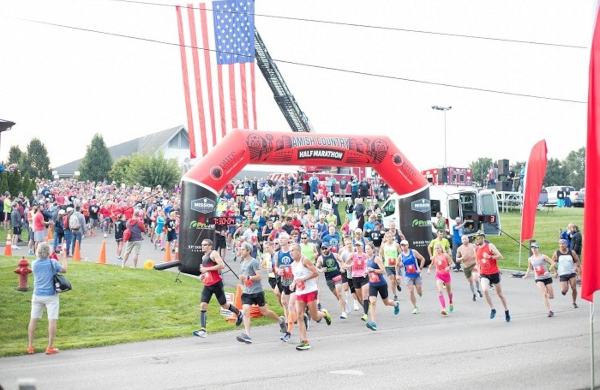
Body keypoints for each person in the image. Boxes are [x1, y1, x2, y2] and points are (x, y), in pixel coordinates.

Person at [236, 242, 286, 344]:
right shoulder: (242, 262)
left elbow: (259, 276)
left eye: (243, 250)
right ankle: (248, 335)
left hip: (257, 291)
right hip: (246, 292)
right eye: (240, 249)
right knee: (245, 312)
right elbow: (243, 276)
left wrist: (248, 277)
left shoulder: (253, 262)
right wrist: (242, 283)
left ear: (248, 251)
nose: (241, 251)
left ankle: (281, 321)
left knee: (265, 312)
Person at [193, 239, 243, 338]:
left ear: (210, 246)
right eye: (202, 245)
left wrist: (206, 269)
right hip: (207, 284)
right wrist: (203, 275)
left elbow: (221, 265)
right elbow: (207, 271)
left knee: (224, 305)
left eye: (205, 245)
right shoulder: (204, 257)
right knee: (203, 305)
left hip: (216, 284)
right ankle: (203, 330)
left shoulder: (214, 253)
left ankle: (239, 313)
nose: (203, 246)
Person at [27, 242, 68, 355]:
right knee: (52, 320)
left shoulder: (34, 263)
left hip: (37, 295)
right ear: (49, 251)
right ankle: (50, 347)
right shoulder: (52, 263)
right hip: (51, 295)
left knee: (33, 320)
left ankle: (30, 346)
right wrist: (64, 258)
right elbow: (64, 270)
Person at [290, 243, 332, 350]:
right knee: (299, 315)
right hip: (300, 292)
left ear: (298, 251)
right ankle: (304, 341)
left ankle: (323, 313)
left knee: (314, 317)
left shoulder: (305, 260)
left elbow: (315, 273)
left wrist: (303, 279)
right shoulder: (292, 265)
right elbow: (296, 277)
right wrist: (293, 283)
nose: (291, 253)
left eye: (293, 251)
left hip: (310, 291)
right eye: (290, 251)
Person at [474, 230, 510, 322]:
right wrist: (479, 272)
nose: (477, 240)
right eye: (476, 238)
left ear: (483, 238)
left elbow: (501, 256)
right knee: (485, 290)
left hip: (494, 272)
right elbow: (477, 261)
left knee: (500, 294)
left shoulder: (490, 246)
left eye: (479, 238)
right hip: (484, 273)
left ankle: (506, 311)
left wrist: (490, 257)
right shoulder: (476, 249)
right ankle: (493, 309)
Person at [365, 242, 400, 330]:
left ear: (373, 250)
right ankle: (373, 323)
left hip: (381, 284)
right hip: (372, 284)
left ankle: (396, 305)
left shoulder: (376, 259)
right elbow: (368, 271)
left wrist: (372, 269)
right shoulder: (366, 259)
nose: (367, 251)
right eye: (366, 249)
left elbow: (383, 271)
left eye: (368, 249)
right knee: (372, 302)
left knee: (386, 302)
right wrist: (366, 272)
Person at [523, 242, 556, 317]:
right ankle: (549, 311)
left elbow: (553, 263)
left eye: (535, 248)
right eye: (532, 248)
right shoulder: (530, 259)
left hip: (547, 277)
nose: (533, 249)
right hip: (538, 278)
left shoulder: (543, 256)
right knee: (544, 294)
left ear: (538, 248)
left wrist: (549, 270)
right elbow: (529, 267)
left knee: (551, 296)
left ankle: (547, 292)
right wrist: (526, 275)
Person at [316, 242, 347, 319]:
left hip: (337, 276)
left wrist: (342, 267)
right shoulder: (321, 258)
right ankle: (344, 303)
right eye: (322, 249)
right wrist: (320, 270)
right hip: (329, 279)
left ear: (329, 248)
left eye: (325, 248)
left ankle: (343, 312)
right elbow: (315, 268)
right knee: (337, 295)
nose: (324, 250)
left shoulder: (335, 255)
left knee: (339, 294)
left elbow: (341, 261)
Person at [398, 240, 426, 314]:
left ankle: (420, 292)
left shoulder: (413, 252)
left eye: (404, 245)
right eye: (402, 245)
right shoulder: (400, 256)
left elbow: (422, 259)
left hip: (416, 275)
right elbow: (396, 265)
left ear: (408, 245)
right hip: (408, 276)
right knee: (410, 291)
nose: (403, 247)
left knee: (419, 291)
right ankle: (415, 307)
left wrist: (420, 268)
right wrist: (397, 275)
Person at [428, 242, 456, 315]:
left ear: (441, 248)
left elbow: (453, 264)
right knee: (440, 291)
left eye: (438, 248)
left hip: (446, 275)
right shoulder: (434, 257)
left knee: (449, 292)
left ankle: (450, 302)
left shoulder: (445, 255)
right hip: (439, 275)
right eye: (435, 249)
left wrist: (449, 267)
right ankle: (443, 308)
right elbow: (431, 264)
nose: (437, 250)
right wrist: (429, 269)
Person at [553, 238, 581, 309]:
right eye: (560, 244)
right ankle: (564, 291)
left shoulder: (571, 252)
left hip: (571, 272)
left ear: (566, 244)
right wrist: (555, 272)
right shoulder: (556, 253)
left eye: (563, 244)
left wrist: (576, 265)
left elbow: (577, 260)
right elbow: (552, 263)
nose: (562, 245)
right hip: (562, 274)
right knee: (565, 289)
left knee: (573, 287)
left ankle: (574, 302)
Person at [456, 235, 482, 301]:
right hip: (466, 267)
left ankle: (478, 290)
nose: (464, 240)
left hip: (474, 265)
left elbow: (480, 251)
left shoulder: (473, 246)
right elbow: (457, 259)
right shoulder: (459, 249)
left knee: (476, 278)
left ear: (468, 239)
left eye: (465, 239)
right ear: (461, 241)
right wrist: (462, 258)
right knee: (470, 281)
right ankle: (474, 294)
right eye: (462, 239)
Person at [381, 233, 402, 300]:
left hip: (396, 265)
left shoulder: (396, 245)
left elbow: (401, 253)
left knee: (397, 280)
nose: (389, 238)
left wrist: (401, 261)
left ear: (392, 237)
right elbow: (380, 254)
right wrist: (381, 261)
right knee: (392, 280)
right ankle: (394, 295)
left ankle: (398, 284)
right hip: (388, 265)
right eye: (387, 237)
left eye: (390, 236)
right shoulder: (383, 246)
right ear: (385, 238)